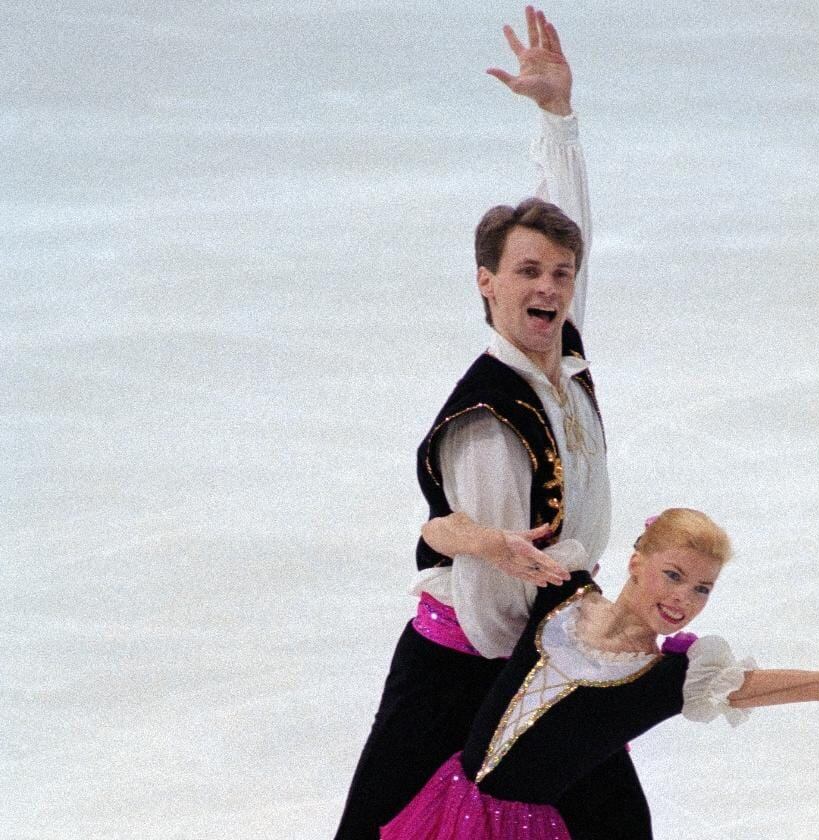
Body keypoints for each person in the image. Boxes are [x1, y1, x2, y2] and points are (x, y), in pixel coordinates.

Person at [334, 8, 653, 838]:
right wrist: (550, 679)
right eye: (526, 272)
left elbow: (569, 225)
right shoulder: (488, 421)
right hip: (471, 664)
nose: (548, 286)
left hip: (547, 639)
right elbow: (486, 594)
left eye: (560, 274)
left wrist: (558, 119)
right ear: (486, 282)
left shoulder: (561, 350)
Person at [380, 508, 819, 839]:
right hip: (447, 803)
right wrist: (486, 542)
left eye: (701, 589)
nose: (682, 599)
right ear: (636, 562)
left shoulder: (673, 677)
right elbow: (436, 531)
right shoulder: (560, 591)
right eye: (673, 575)